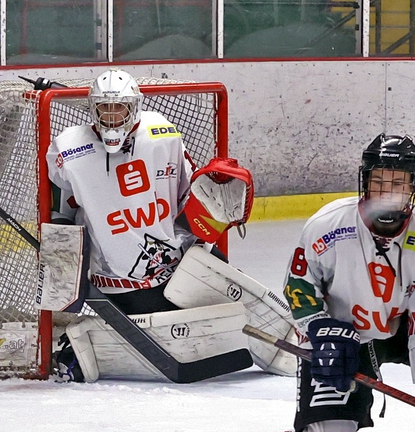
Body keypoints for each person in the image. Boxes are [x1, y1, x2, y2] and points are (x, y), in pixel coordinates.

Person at [205, 134, 415, 432]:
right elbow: (299, 287)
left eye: (398, 183)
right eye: (379, 181)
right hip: (341, 337)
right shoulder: (327, 226)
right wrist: (320, 328)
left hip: (402, 329)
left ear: (414, 188)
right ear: (364, 182)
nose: (387, 192)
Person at [45, 69, 292, 377]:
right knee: (207, 340)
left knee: (241, 308)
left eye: (120, 107)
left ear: (135, 107)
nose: (112, 116)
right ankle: (78, 350)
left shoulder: (161, 133)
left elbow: (188, 194)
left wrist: (212, 204)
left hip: (185, 261)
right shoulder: (68, 149)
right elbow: (60, 209)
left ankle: (297, 341)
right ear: (93, 108)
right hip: (121, 281)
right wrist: (63, 258)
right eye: (104, 107)